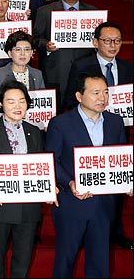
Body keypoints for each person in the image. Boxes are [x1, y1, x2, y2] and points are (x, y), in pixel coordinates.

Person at [47, 71, 131, 278]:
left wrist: (127, 180)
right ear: (79, 96)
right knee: (65, 260)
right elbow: (52, 159)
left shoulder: (115, 122)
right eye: (95, 93)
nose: (102, 98)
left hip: (104, 204)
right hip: (72, 203)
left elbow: (120, 158)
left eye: (105, 92)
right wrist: (70, 182)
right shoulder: (60, 123)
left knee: (99, 261)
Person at [64, 22, 134, 250]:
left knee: (114, 186)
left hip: (116, 132)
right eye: (107, 40)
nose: (113, 45)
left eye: (117, 41)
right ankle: (87, 228)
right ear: (95, 42)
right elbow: (69, 99)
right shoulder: (82, 65)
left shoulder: (127, 67)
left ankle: (115, 230)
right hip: (85, 133)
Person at [0, 80, 48, 278]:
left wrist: (49, 186)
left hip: (28, 207)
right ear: (0, 104)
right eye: (11, 101)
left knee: (22, 260)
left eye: (22, 101)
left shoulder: (35, 131)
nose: (17, 106)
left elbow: (41, 165)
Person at [33, 0, 96, 113]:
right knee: (57, 113)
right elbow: (35, 38)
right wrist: (46, 45)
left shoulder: (93, 13)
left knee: (83, 113)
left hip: (83, 71)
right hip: (55, 71)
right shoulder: (45, 11)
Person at [0, 31, 45, 119]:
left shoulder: (37, 74)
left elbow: (43, 102)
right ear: (10, 53)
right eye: (18, 50)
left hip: (32, 123)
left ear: (32, 53)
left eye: (27, 49)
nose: (23, 53)